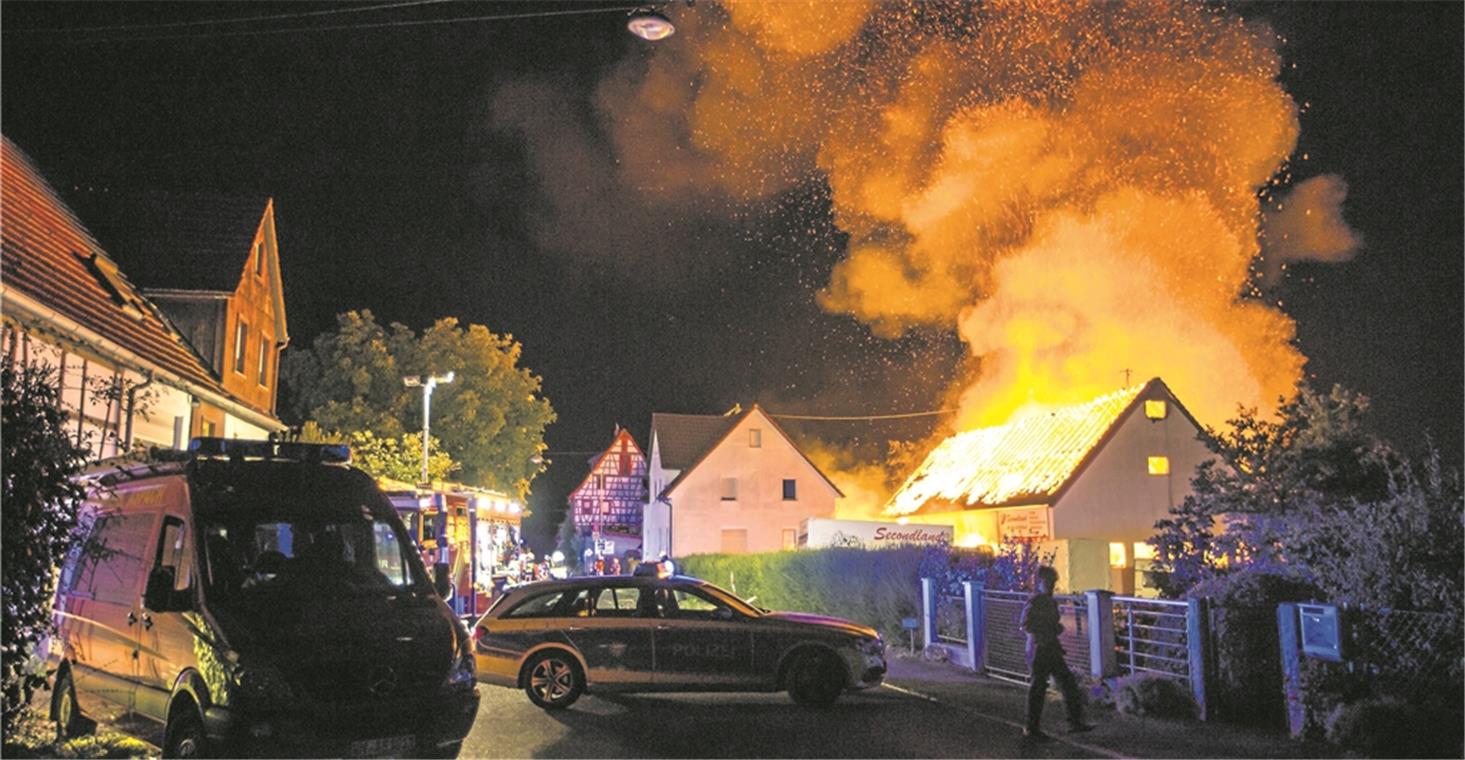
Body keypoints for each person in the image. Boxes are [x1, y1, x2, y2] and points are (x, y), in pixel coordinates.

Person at [1020, 565, 1094, 741]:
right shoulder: (1036, 602)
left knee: (1067, 683)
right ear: (1039, 582)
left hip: (1050, 648)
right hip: (1040, 649)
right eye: (1049, 581)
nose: (1052, 585)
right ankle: (1032, 727)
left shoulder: (1049, 602)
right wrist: (1051, 629)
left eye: (1053, 581)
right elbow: (1026, 625)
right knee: (1040, 687)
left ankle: (1074, 721)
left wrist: (1055, 630)